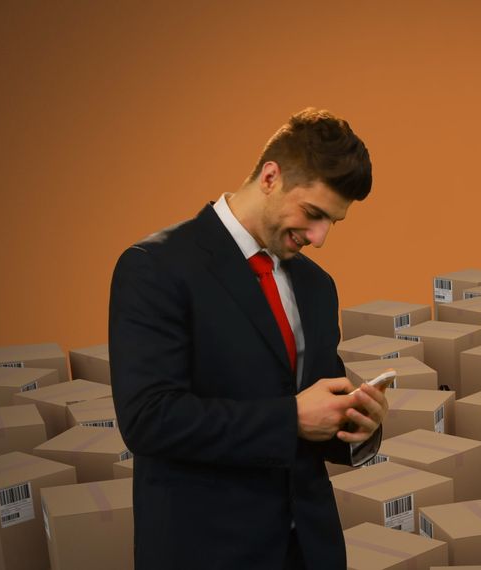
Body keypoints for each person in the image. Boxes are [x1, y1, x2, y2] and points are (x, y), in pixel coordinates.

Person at [109, 108, 388, 569]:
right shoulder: (155, 267)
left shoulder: (317, 286)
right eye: (314, 214)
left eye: (332, 223)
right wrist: (290, 417)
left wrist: (357, 425)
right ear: (271, 177)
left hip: (311, 550)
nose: (319, 238)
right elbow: (149, 419)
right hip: (207, 550)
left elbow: (315, 416)